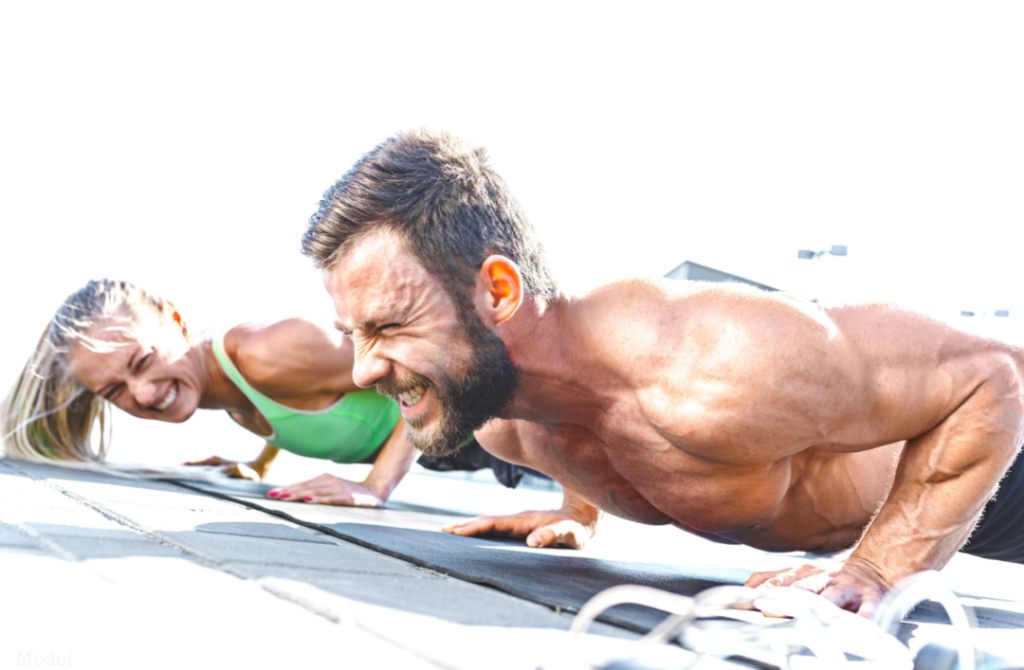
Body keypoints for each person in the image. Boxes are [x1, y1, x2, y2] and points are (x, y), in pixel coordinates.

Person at [299, 128, 1024, 617]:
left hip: (1000, 462)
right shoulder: (506, 426)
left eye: (389, 327)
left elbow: (993, 376)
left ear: (498, 291)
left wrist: (878, 572)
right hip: (944, 502)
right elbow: (587, 404)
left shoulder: (713, 363)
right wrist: (574, 507)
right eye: (355, 334)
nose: (364, 369)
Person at [0, 280, 570, 520]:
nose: (143, 394)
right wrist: (256, 464)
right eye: (114, 391)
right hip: (484, 453)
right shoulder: (219, 389)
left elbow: (431, 372)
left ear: (176, 319)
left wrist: (376, 488)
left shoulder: (267, 351)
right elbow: (297, 408)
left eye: (143, 363)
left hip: (516, 426)